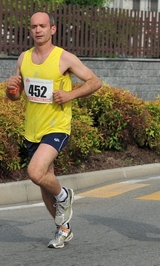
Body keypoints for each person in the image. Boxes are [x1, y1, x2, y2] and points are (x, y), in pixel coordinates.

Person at [6, 12, 101, 249]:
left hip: (57, 127)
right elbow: (16, 97)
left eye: (42, 26)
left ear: (53, 30)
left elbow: (94, 82)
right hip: (32, 129)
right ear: (30, 30)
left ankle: (64, 196)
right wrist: (10, 90)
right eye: (33, 27)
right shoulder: (23, 58)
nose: (38, 30)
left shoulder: (64, 58)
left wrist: (70, 94)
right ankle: (63, 229)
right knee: (44, 181)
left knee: (36, 173)